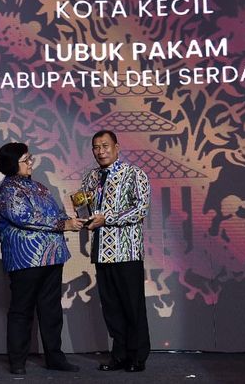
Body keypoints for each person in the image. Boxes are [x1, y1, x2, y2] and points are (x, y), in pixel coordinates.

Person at [0, 142, 82, 375]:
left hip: (52, 257)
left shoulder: (39, 187)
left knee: (51, 309)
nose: (31, 163)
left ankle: (55, 357)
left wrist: (73, 220)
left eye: (30, 158)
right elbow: (25, 217)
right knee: (22, 309)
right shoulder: (8, 190)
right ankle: (17, 361)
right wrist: (63, 224)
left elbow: (57, 212)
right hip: (26, 260)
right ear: (13, 164)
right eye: (26, 160)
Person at [81, 129, 151, 373]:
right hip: (101, 251)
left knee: (132, 306)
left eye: (105, 146)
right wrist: (83, 219)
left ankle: (138, 356)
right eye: (96, 147)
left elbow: (141, 209)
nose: (100, 151)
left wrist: (106, 219)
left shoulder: (134, 174)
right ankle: (119, 354)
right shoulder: (90, 177)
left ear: (117, 147)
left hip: (127, 251)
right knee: (111, 308)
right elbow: (86, 207)